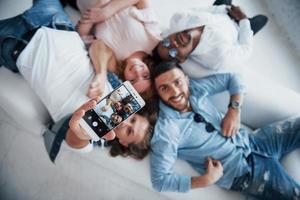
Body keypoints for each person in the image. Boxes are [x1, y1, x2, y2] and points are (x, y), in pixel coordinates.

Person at [0, 0, 153, 160]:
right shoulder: (121, 95)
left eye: (129, 131)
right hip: (56, 22)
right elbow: (100, 46)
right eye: (133, 119)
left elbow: (76, 140)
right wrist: (100, 75)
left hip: (16, 43)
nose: (126, 123)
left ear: (123, 143)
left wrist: (80, 131)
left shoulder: (95, 140)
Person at [149, 61, 300, 200]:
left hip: (255, 141)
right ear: (159, 95)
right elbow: (159, 181)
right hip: (246, 174)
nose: (175, 91)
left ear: (187, 80)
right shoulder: (166, 131)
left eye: (178, 82)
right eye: (164, 88)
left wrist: (234, 110)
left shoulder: (195, 89)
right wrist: (205, 180)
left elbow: (233, 77)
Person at [62, 0, 162, 96]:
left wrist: (97, 8)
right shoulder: (154, 42)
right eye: (145, 76)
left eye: (132, 81)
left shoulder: (114, 64)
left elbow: (82, 35)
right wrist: (106, 11)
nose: (137, 71)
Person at [152, 0, 268, 70]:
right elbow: (246, 50)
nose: (174, 43)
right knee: (263, 19)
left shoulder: (178, 19)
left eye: (166, 42)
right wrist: (243, 20)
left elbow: (203, 10)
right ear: (182, 59)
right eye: (173, 52)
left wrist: (225, 9)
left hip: (221, 11)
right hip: (239, 28)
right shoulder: (217, 59)